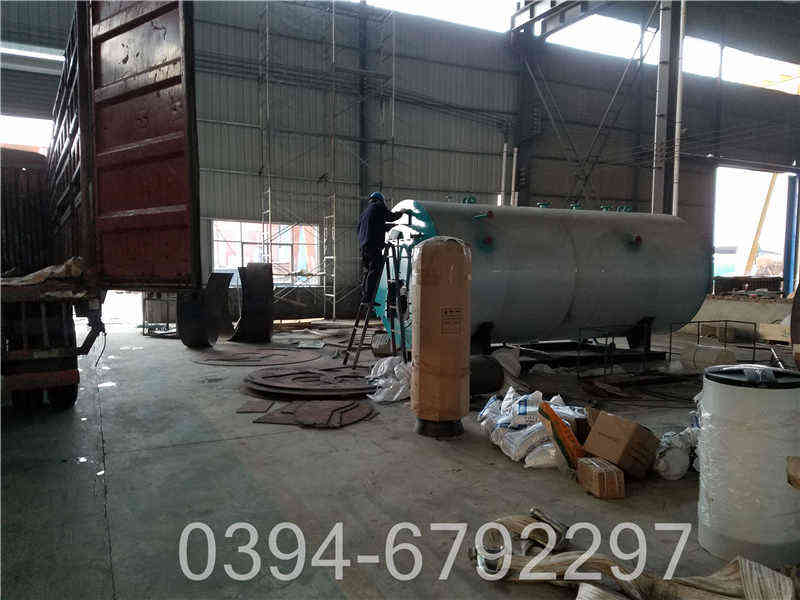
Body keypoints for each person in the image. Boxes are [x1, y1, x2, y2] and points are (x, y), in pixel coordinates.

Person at [357, 191, 407, 305]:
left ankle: (365, 297)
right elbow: (390, 216)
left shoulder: (365, 213)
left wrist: (391, 227)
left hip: (364, 247)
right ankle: (369, 298)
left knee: (367, 271)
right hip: (374, 246)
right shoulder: (378, 206)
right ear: (380, 200)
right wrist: (401, 213)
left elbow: (375, 226)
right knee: (374, 271)